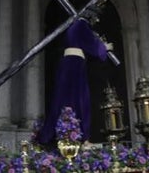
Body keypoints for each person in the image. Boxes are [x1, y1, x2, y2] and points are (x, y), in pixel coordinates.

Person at [35, 16, 113, 146]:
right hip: (75, 65)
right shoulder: (82, 25)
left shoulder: (74, 27)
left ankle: (55, 136)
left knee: (62, 100)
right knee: (81, 100)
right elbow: (91, 45)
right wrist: (104, 47)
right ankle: (83, 138)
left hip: (69, 65)